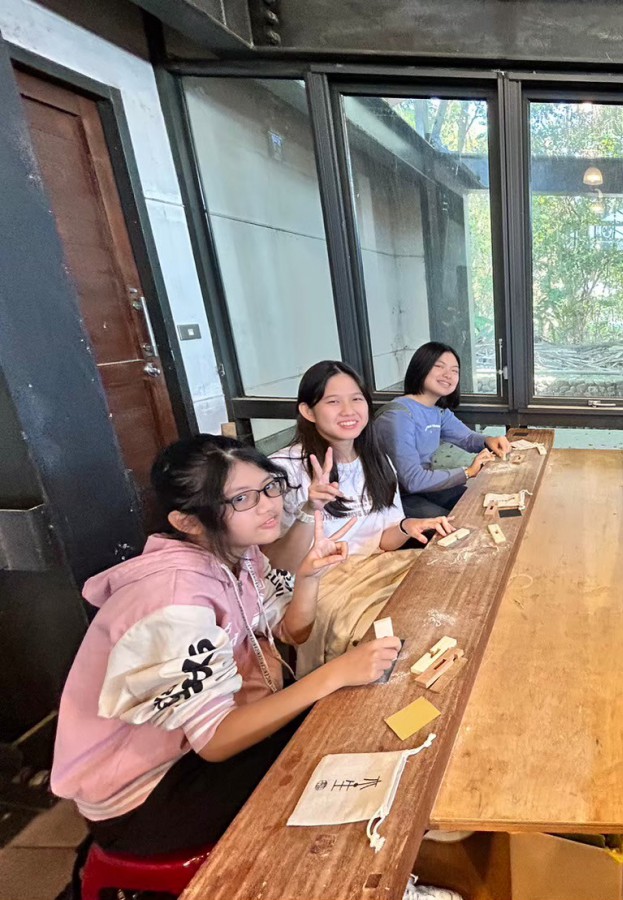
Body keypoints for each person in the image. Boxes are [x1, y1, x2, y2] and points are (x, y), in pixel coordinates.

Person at [51, 436, 403, 857]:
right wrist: (333, 674)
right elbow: (215, 740)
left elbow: (291, 632)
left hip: (193, 751)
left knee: (343, 725)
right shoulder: (173, 599)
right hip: (146, 797)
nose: (269, 505)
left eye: (270, 487)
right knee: (334, 757)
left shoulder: (241, 555)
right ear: (188, 522)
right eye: (241, 499)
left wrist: (308, 578)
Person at [267, 361, 453, 573]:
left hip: (374, 571)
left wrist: (406, 527)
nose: (349, 411)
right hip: (319, 583)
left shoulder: (377, 461)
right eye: (333, 401)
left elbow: (383, 541)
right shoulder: (282, 472)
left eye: (356, 399)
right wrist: (309, 511)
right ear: (308, 412)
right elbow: (275, 565)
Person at [377, 342, 511, 517]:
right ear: (421, 367)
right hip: (392, 498)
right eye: (439, 366)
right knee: (457, 522)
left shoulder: (438, 411)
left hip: (422, 487)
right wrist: (467, 472)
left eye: (455, 370)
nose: (448, 375)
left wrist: (489, 440)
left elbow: (467, 438)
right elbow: (412, 480)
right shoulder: (398, 415)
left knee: (479, 504)